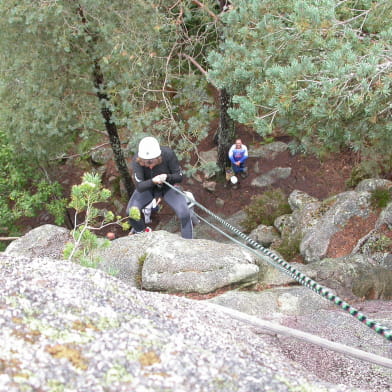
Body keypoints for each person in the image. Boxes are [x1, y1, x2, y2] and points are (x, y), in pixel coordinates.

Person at [126, 136, 193, 239]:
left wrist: (167, 176)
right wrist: (153, 181)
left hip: (167, 186)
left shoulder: (168, 154)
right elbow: (139, 186)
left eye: (152, 162)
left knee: (184, 214)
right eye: (145, 163)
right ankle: (142, 233)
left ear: (158, 158)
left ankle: (188, 242)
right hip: (148, 188)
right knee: (131, 212)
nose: (150, 166)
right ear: (140, 159)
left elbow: (179, 177)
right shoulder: (136, 160)